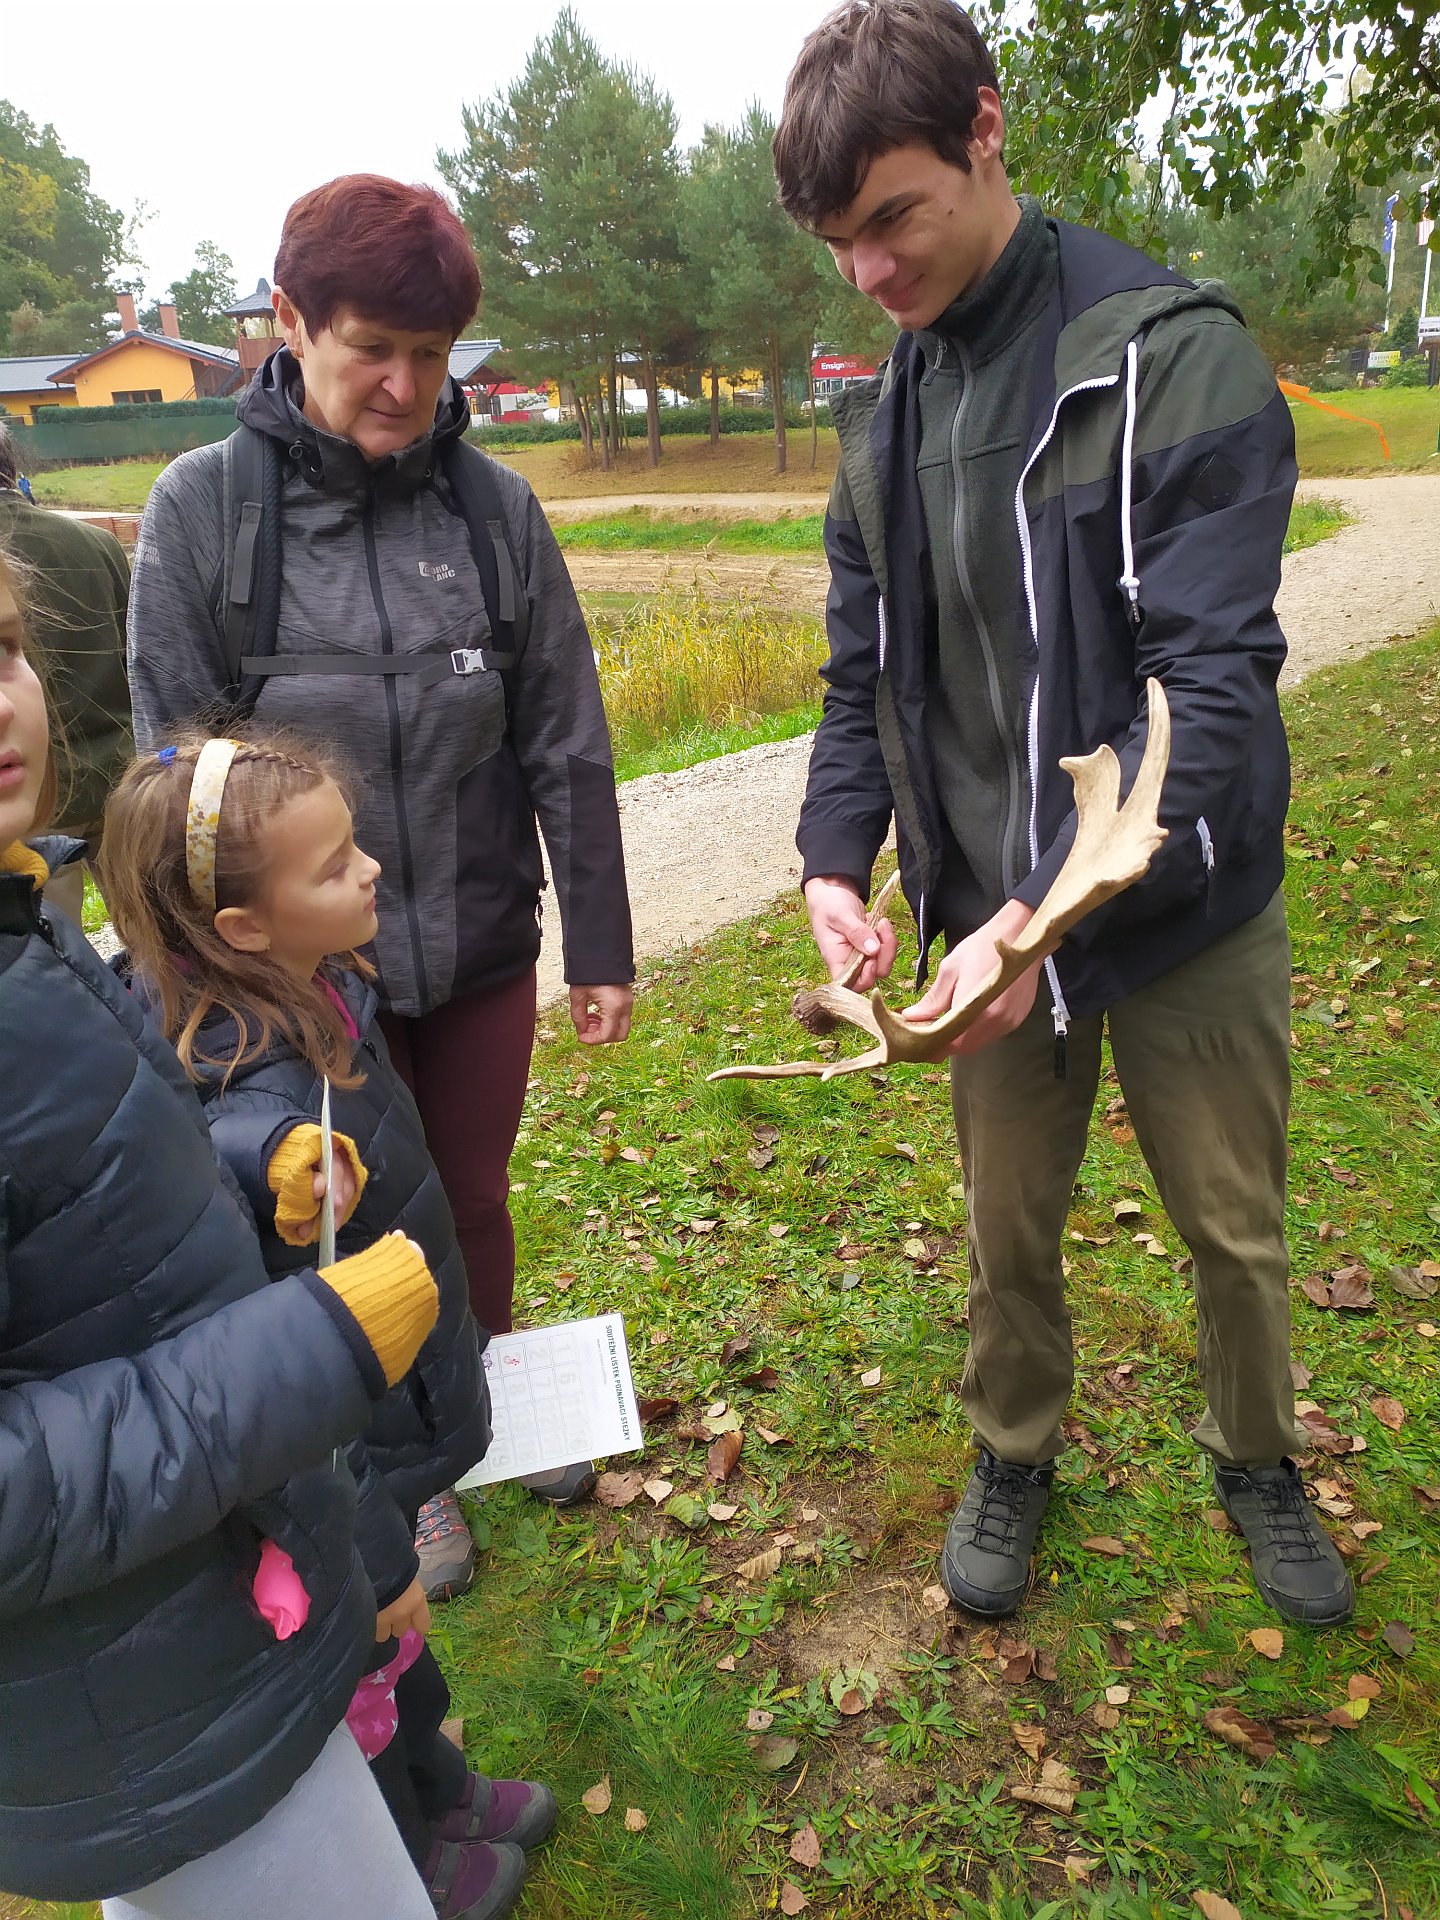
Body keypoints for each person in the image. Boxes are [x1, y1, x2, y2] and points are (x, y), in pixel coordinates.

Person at [773, 0, 1352, 1628]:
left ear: (986, 128)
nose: (870, 271)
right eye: (838, 243)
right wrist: (835, 861)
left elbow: (1211, 692)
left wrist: (1046, 917)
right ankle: (1014, 1447)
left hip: (1182, 914)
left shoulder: (1170, 354)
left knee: (1233, 1230)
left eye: (893, 218)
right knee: (1005, 1227)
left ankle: (1258, 1456)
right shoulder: (883, 424)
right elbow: (859, 677)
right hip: (986, 928)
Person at [126, 174, 636, 1593]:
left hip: (475, 944)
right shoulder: (206, 513)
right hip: (289, 979)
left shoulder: (494, 513)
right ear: (291, 321)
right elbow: (174, 780)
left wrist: (599, 942)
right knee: (339, 1219)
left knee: (469, 1195)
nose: (407, 387)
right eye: (372, 349)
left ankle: (489, 1401)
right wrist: (219, 985)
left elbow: (566, 737)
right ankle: (402, 1474)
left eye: (433, 353)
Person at [0, 533, 448, 1917]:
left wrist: (247, 1184)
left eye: (0, 646)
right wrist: (313, 1347)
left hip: (211, 1622)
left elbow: (88, 1214)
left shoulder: (24, 918)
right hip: (150, 1720)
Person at [101, 730, 557, 1920]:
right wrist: (378, 1555)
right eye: (334, 864)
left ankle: (441, 1787)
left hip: (389, 1414)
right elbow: (234, 1148)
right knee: (362, 1661)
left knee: (400, 1648)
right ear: (242, 926)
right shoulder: (242, 1086)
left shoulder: (317, 983)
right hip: (340, 1468)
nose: (371, 871)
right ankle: (407, 1854)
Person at [0, 418, 132, 925]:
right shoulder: (96, 544)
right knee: (154, 940)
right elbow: (137, 654)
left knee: (49, 939)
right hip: (117, 779)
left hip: (33, 794)